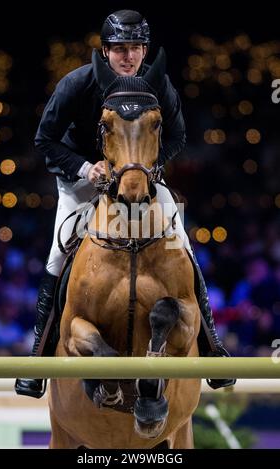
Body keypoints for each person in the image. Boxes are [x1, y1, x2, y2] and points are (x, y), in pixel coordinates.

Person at [15, 10, 235, 398]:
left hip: (139, 179)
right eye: (120, 49)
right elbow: (44, 140)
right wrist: (86, 168)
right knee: (57, 256)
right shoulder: (77, 83)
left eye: (135, 48)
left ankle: (214, 346)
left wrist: (145, 168)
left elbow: (178, 136)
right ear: (105, 51)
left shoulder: (157, 84)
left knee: (182, 241)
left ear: (145, 49)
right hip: (83, 181)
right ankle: (38, 358)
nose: (128, 56)